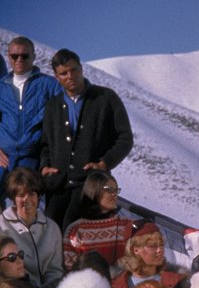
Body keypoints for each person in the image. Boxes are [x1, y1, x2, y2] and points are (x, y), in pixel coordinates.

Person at [40, 48, 133, 230]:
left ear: (81, 68)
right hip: (58, 183)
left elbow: (125, 138)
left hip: (90, 184)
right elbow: (45, 144)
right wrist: (45, 166)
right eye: (63, 73)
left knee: (74, 228)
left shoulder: (106, 98)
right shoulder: (53, 106)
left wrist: (104, 164)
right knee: (50, 229)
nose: (70, 76)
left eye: (74, 70)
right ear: (57, 77)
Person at [0, 36, 61, 202]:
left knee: (25, 202)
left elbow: (64, 116)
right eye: (14, 56)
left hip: (31, 157)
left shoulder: (49, 85)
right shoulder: (1, 86)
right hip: (4, 156)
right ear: (8, 57)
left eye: (24, 56)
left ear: (33, 57)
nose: (19, 59)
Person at [0, 167, 64, 288]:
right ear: (13, 199)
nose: (27, 199)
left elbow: (55, 270)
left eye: (31, 194)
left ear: (38, 197)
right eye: (21, 195)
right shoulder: (2, 226)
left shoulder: (52, 227)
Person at [62, 170, 133, 271]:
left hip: (124, 284)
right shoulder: (76, 229)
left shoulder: (126, 225)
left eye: (116, 190)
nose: (114, 194)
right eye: (109, 190)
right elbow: (71, 268)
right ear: (94, 190)